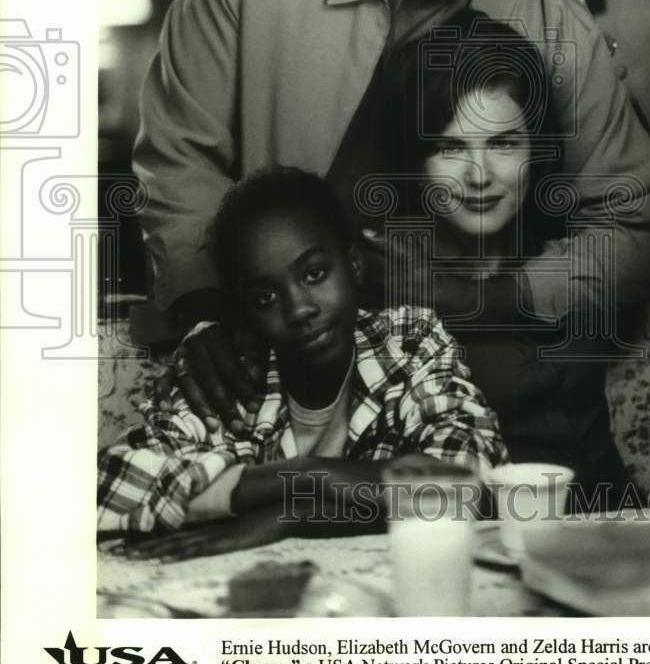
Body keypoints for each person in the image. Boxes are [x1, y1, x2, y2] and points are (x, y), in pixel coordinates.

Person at [134, 0, 650, 434]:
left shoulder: (558, 28)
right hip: (267, 362)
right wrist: (204, 307)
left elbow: (638, 231)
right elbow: (179, 148)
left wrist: (478, 295)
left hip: (440, 390)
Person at [98, 168, 506, 559]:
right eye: (265, 298)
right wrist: (305, 475)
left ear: (354, 265)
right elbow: (109, 485)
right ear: (243, 314)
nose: (299, 309)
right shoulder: (228, 375)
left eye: (314, 274)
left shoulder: (410, 341)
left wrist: (299, 514)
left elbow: (469, 483)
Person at [369, 7, 633, 504]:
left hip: (610, 524)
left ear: (536, 148)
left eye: (504, 143)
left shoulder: (576, 258)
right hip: (473, 527)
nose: (480, 175)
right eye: (450, 147)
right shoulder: (389, 279)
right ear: (414, 161)